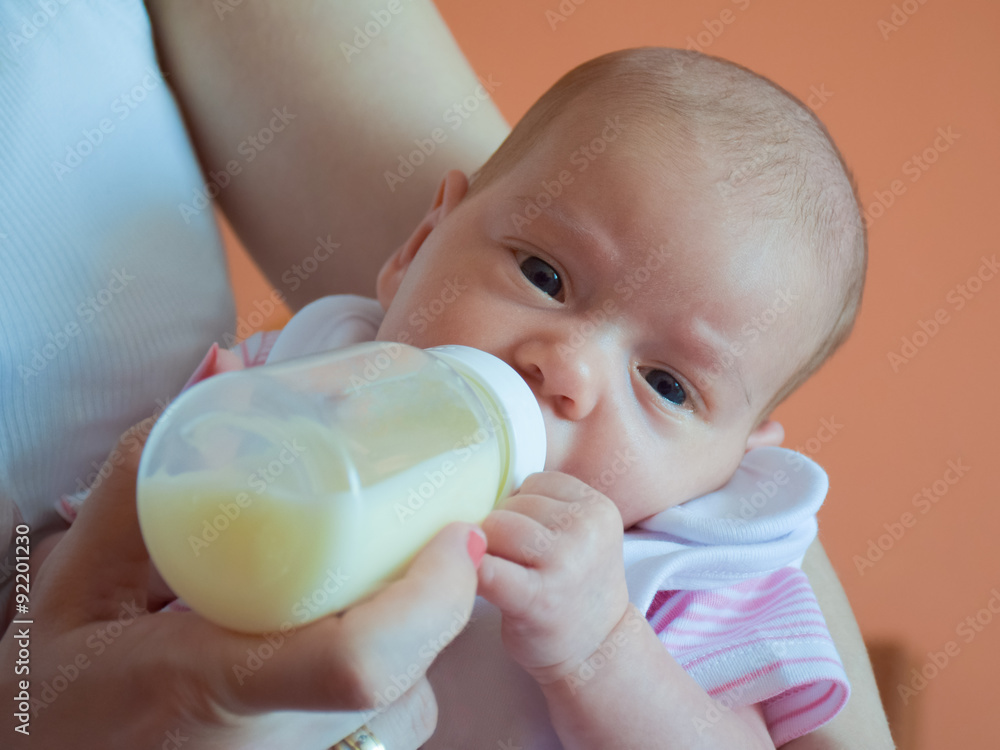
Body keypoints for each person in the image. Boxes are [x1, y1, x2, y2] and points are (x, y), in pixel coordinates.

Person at [0, 1, 893, 748]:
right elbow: (82, 587)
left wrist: (600, 647)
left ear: (732, 460)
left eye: (666, 385)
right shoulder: (311, 385)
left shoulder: (685, 564)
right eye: (542, 276)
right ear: (419, 245)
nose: (567, 369)